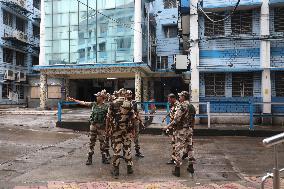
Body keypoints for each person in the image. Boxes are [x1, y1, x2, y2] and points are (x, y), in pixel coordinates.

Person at [68, 90, 110, 165]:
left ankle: (104, 158)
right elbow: (84, 103)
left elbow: (109, 117)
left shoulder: (107, 106)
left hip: (102, 127)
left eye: (98, 96)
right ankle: (89, 158)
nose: (96, 97)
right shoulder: (94, 104)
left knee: (102, 143)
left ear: (102, 97)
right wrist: (74, 100)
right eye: (97, 96)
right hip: (93, 126)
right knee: (91, 142)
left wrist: (108, 128)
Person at [106, 88, 140, 178]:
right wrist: (132, 129)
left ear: (118, 93)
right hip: (127, 129)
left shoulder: (113, 103)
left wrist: (107, 129)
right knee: (127, 147)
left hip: (116, 130)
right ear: (124, 94)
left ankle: (116, 170)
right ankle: (129, 168)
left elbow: (108, 118)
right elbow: (133, 118)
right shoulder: (129, 103)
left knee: (117, 148)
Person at [163, 91, 196, 177]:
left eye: (180, 96)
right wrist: (191, 128)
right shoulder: (192, 106)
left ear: (184, 97)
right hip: (189, 129)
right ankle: (191, 166)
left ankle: (177, 169)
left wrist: (167, 126)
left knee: (178, 149)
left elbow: (176, 119)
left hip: (181, 130)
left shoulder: (182, 106)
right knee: (190, 147)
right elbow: (193, 120)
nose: (179, 98)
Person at [125, 90, 145, 158]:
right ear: (125, 95)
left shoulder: (134, 102)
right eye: (127, 94)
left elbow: (137, 113)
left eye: (130, 94)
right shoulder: (123, 103)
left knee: (136, 137)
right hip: (126, 122)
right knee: (126, 137)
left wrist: (141, 121)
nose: (129, 96)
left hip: (135, 121)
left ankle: (137, 151)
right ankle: (126, 152)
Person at [163, 93, 180, 165]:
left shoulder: (178, 106)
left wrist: (167, 126)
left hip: (176, 127)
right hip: (174, 127)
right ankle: (182, 155)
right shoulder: (173, 105)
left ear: (173, 99)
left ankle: (174, 159)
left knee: (175, 144)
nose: (168, 100)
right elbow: (170, 111)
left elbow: (176, 119)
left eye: (169, 99)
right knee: (176, 143)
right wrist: (165, 116)